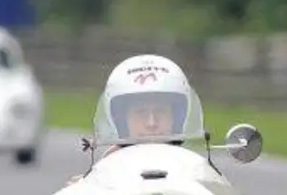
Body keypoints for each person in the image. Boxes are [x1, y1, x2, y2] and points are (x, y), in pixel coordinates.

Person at [67, 54, 207, 183]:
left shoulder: (193, 166)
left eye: (161, 112)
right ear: (122, 119)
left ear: (176, 117)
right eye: (141, 113)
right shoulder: (107, 167)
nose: (151, 123)